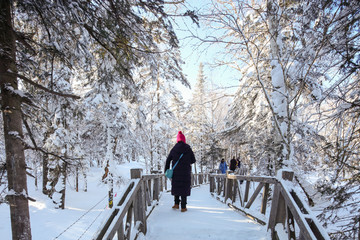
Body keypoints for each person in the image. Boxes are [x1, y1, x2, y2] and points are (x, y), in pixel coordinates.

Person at [164, 131, 196, 212]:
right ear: (184, 140)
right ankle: (183, 207)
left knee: (176, 186)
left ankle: (176, 204)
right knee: (184, 188)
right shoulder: (188, 149)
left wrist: (166, 170)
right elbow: (193, 160)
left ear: (177, 140)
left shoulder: (174, 149)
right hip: (185, 172)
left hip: (176, 172)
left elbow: (168, 160)